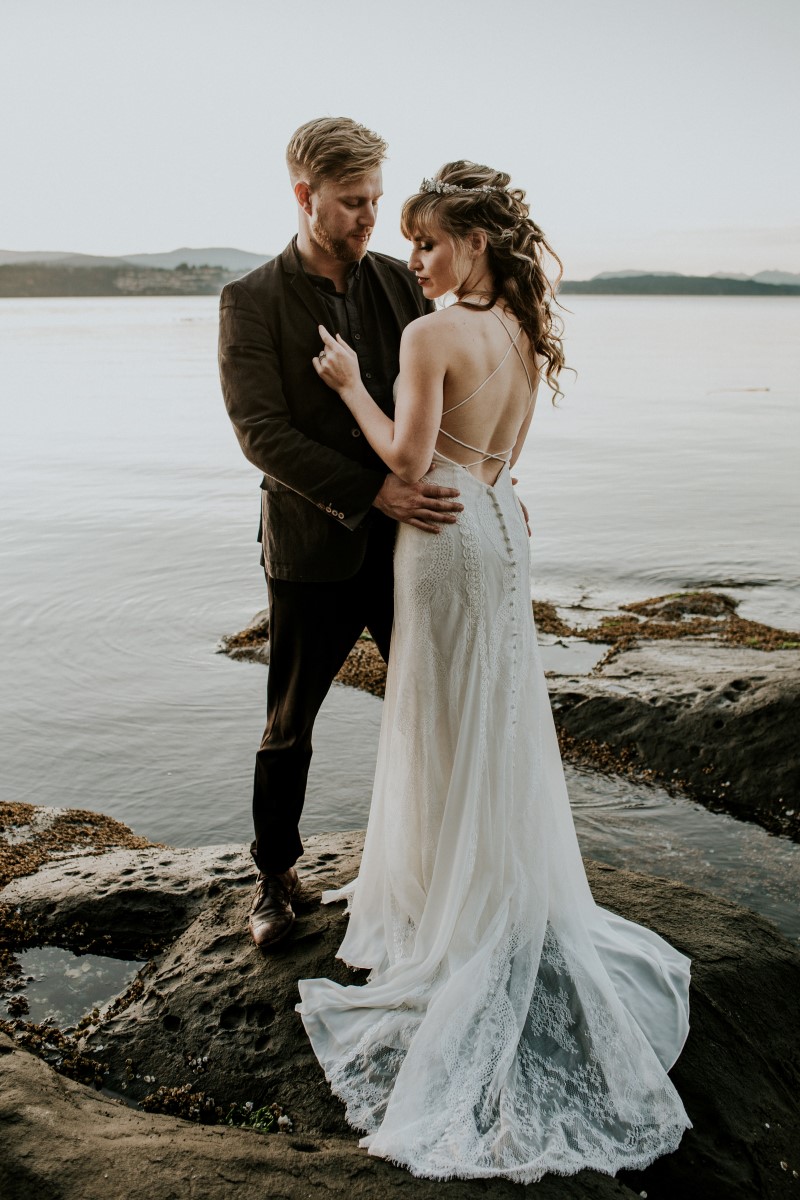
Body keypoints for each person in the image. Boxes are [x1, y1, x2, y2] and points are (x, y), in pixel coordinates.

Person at [296, 161, 692, 1183]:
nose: (412, 257)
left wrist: (348, 388)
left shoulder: (430, 336)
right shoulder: (521, 323)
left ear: (471, 239)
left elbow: (405, 465)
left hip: (443, 536)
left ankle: (445, 906)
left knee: (437, 713)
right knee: (496, 715)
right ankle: (484, 884)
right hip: (503, 528)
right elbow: (500, 457)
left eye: (426, 241)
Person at [218, 118, 463, 950]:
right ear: (304, 197)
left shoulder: (401, 285)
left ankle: (440, 863)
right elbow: (261, 433)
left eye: (374, 200)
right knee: (291, 721)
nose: (368, 217)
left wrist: (491, 482)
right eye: (352, 202)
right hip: (312, 552)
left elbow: (447, 398)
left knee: (432, 704)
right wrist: (374, 494)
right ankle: (275, 877)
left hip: (413, 549)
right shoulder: (249, 300)